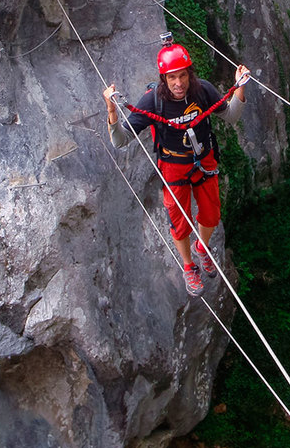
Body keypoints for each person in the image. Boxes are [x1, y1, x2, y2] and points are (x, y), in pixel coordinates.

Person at [103, 38, 249, 296]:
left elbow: (231, 115)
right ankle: (188, 266)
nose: (178, 83)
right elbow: (120, 141)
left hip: (203, 159)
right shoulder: (153, 101)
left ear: (189, 74)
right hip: (172, 165)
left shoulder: (202, 90)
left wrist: (239, 88)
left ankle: (202, 248)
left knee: (211, 215)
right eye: (172, 77)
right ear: (163, 78)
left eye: (182, 75)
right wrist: (112, 112)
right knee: (179, 222)